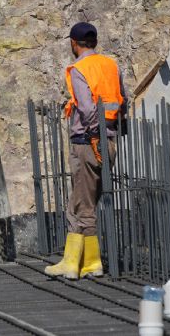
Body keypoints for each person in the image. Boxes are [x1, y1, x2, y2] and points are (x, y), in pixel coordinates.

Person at [46, 22, 127, 279]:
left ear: (74, 43)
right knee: (85, 202)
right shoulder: (111, 65)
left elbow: (88, 109)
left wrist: (93, 136)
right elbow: (122, 101)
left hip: (87, 142)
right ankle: (83, 261)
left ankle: (80, 263)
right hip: (109, 140)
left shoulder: (79, 69)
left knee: (81, 205)